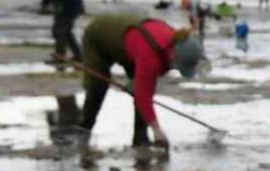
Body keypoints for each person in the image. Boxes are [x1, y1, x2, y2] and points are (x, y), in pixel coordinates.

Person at [77, 13, 204, 150]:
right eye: (179, 65)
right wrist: (157, 130)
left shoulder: (176, 41)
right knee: (98, 86)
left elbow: (147, 88)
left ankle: (140, 138)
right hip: (98, 38)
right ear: (173, 54)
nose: (176, 69)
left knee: (144, 89)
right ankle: (83, 132)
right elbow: (143, 96)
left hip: (130, 46)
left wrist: (138, 86)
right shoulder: (150, 55)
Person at [31, 0, 84, 64]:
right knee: (66, 32)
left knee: (59, 30)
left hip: (70, 6)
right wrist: (44, 5)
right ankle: (79, 57)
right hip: (63, 6)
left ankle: (60, 58)